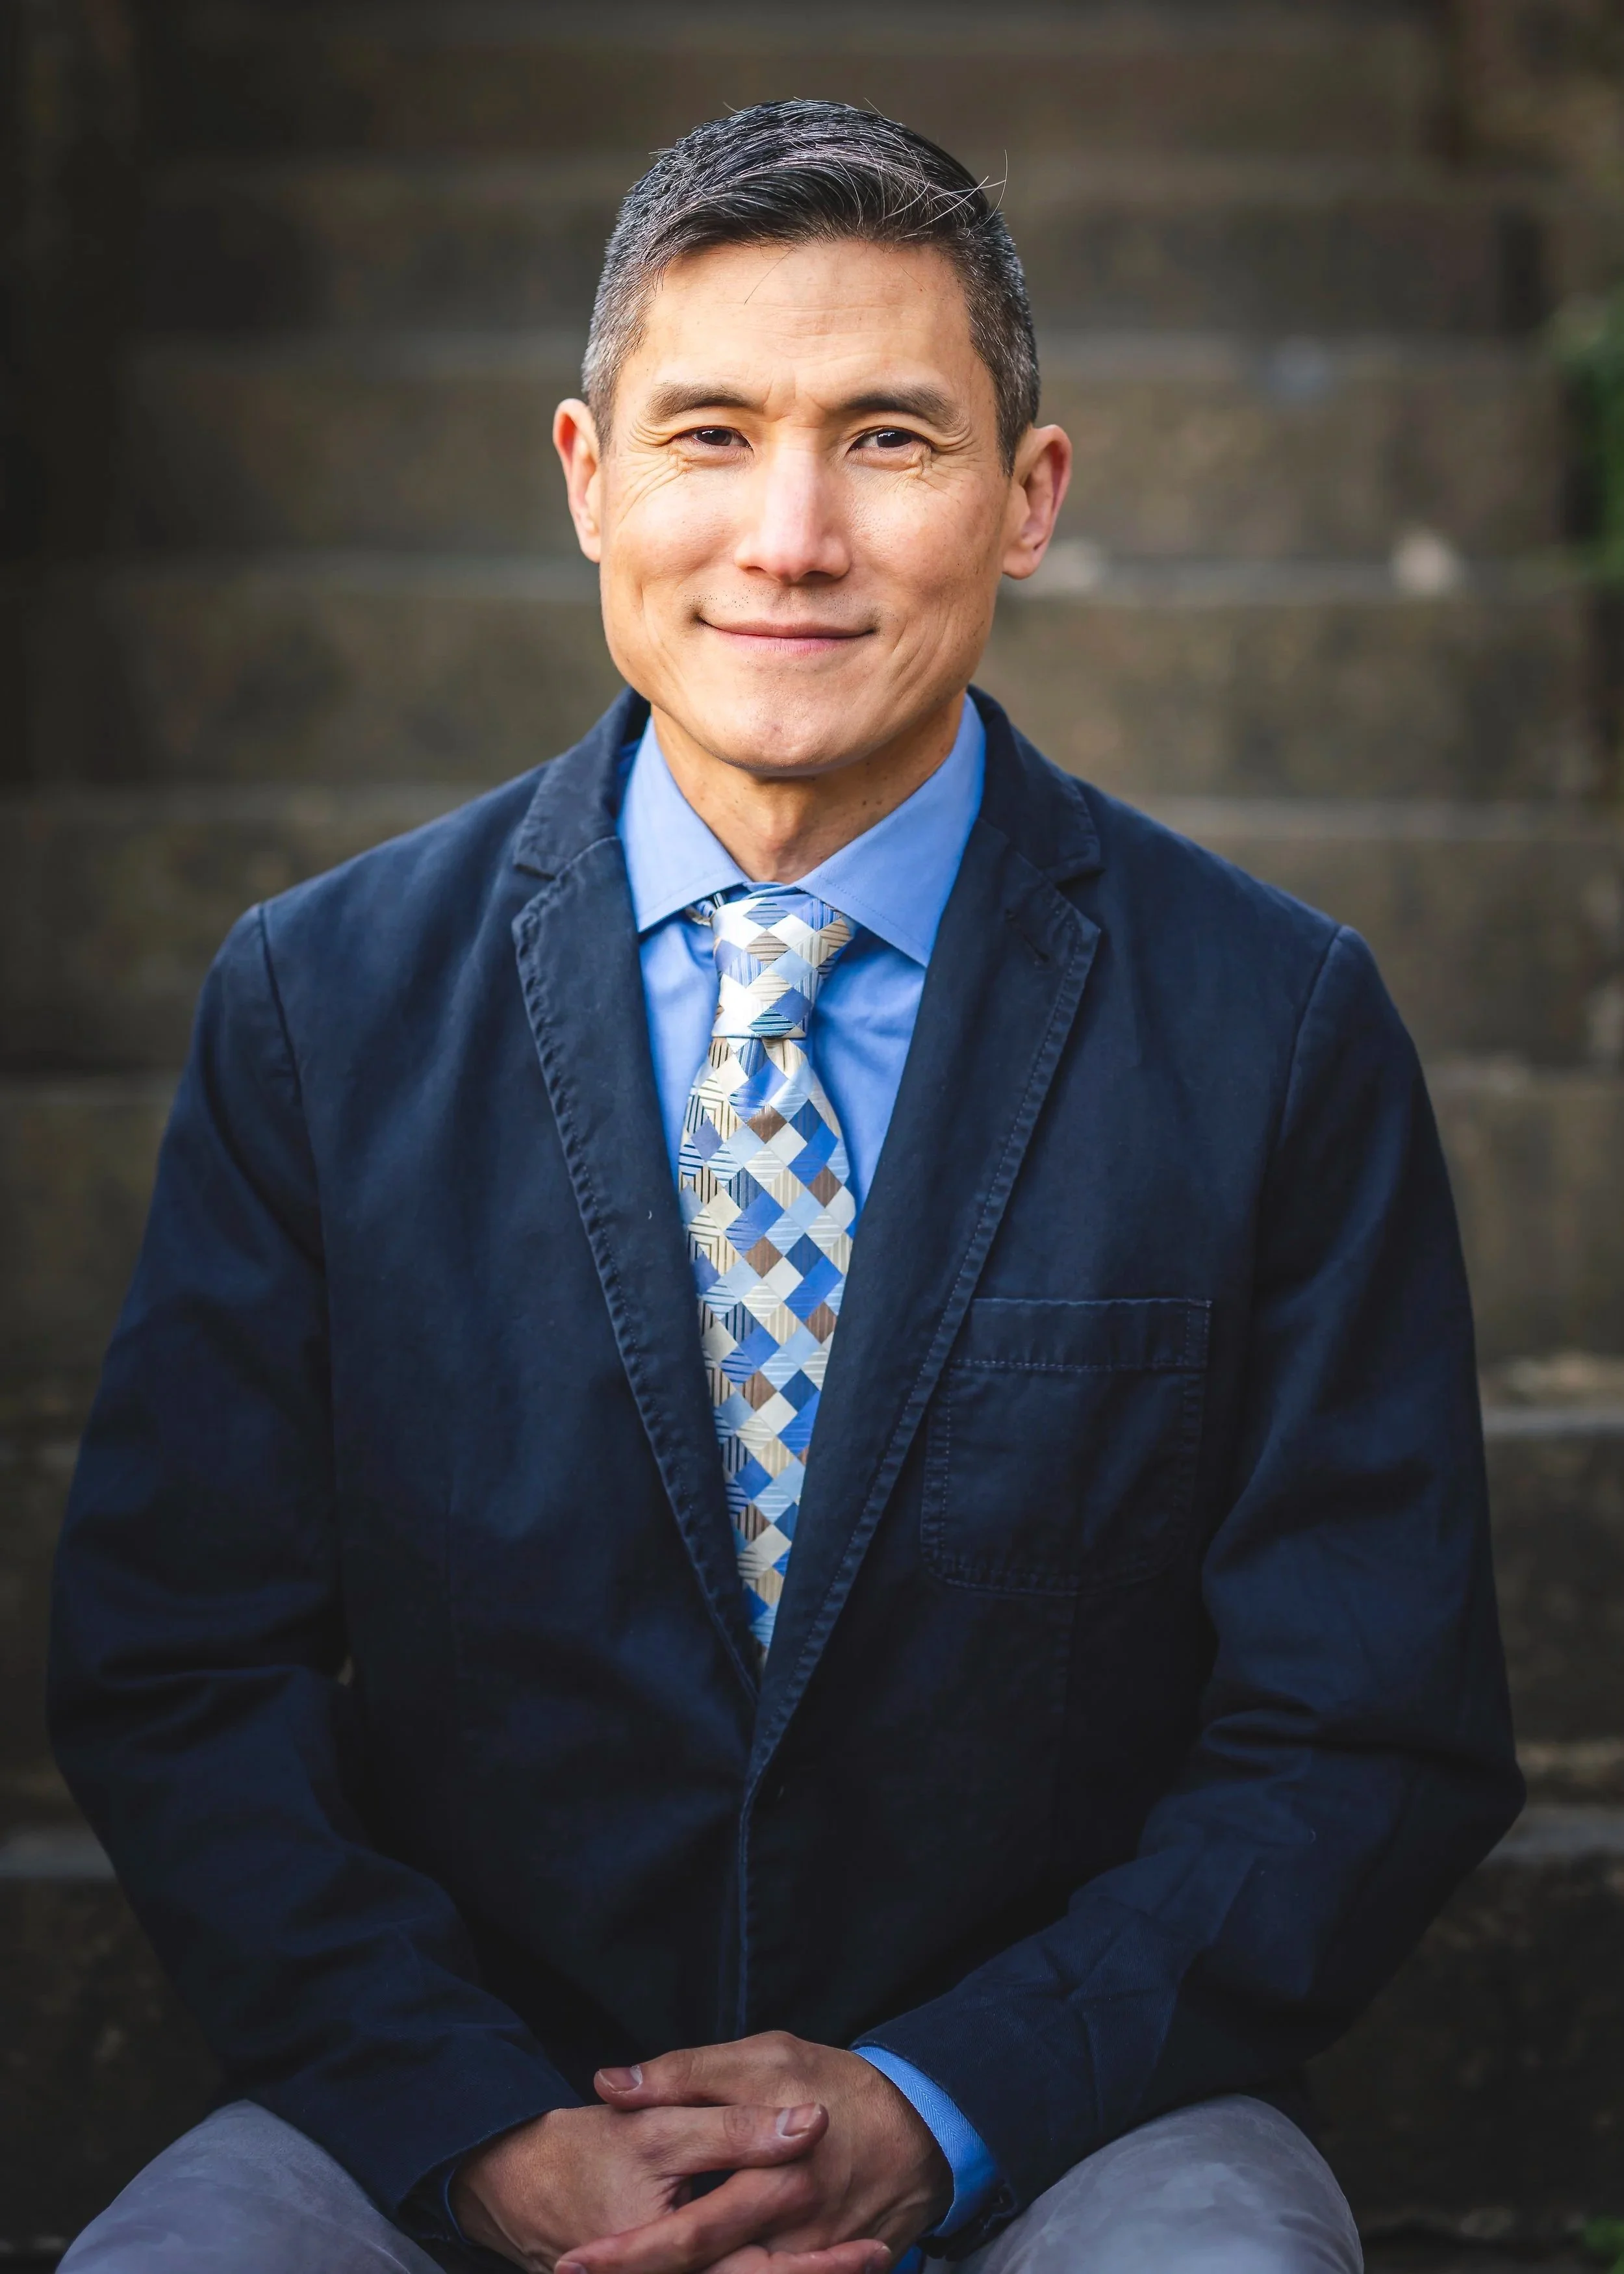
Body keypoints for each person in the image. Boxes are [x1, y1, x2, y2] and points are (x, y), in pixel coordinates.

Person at [49, 100, 1520, 2274]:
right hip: (445, 2095)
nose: (792, 535)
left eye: (888, 440)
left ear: (1029, 496)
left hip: (1072, 2104)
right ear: (587, 478)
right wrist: (482, 2128)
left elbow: (1365, 1721)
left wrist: (945, 2104)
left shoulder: (1270, 1021)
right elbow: (179, 1667)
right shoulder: (321, 1001)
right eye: (711, 434)